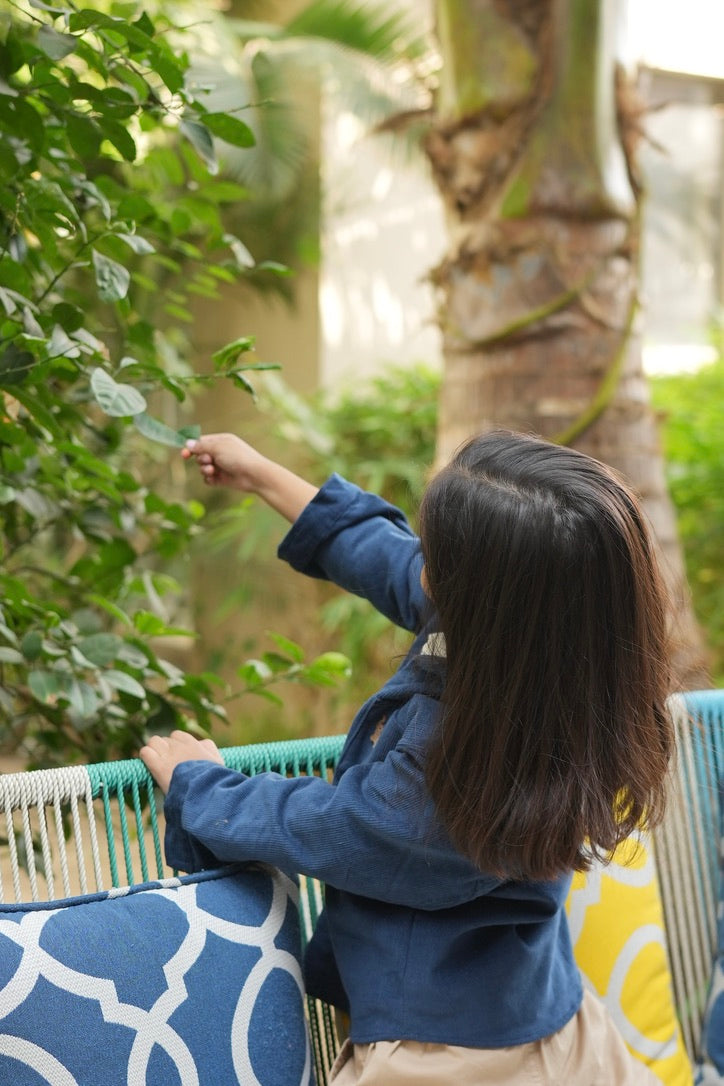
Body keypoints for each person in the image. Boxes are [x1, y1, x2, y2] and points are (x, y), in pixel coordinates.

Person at [140, 428, 673, 1085]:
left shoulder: (456, 761)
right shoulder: (559, 662)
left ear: (479, 600)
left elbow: (344, 824)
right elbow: (385, 556)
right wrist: (264, 478)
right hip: (552, 1022)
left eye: (438, 559)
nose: (420, 567)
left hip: (444, 1058)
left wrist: (204, 787)